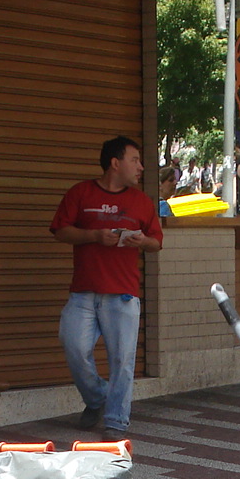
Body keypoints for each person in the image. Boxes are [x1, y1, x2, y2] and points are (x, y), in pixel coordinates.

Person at [49, 136, 163, 439]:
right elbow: (61, 231)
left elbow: (156, 243)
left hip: (123, 294)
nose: (140, 167)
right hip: (83, 292)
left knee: (122, 362)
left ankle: (116, 422)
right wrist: (95, 236)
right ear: (115, 163)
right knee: (73, 346)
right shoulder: (80, 193)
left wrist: (141, 241)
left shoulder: (141, 201)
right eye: (134, 160)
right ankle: (98, 397)